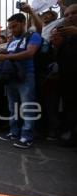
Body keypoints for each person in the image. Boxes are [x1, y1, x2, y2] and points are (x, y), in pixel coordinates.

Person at [0, 13, 42, 149]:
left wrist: (6, 57)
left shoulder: (33, 36)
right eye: (10, 27)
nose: (12, 30)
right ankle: (14, 132)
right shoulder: (12, 40)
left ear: (23, 23)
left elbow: (30, 53)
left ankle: (27, 136)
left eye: (14, 26)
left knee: (27, 107)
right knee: (13, 107)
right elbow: (10, 55)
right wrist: (4, 55)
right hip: (11, 77)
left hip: (26, 76)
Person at [50, 4, 77, 146]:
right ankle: (70, 135)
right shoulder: (65, 36)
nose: (69, 16)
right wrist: (57, 45)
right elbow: (59, 60)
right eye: (66, 15)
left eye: (73, 13)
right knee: (68, 107)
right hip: (67, 79)